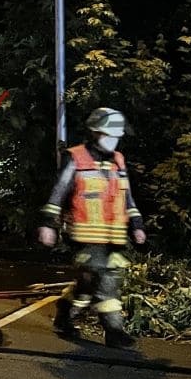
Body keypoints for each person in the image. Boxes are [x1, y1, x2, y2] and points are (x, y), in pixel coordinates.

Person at [37, 107, 147, 349]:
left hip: (114, 237)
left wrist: (136, 224)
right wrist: (48, 224)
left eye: (116, 135)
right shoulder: (75, 157)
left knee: (86, 285)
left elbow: (127, 196)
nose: (113, 139)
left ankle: (65, 310)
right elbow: (59, 192)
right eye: (109, 134)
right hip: (84, 237)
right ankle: (114, 331)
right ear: (95, 133)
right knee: (106, 281)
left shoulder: (118, 160)